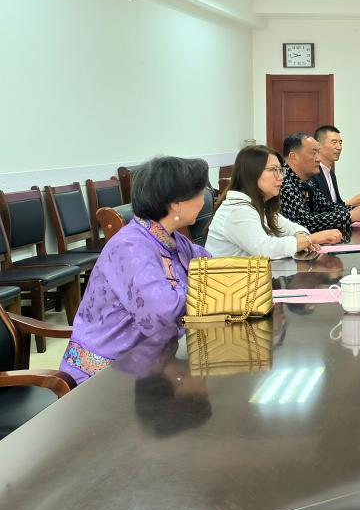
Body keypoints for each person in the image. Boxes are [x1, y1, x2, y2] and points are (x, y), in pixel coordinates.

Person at [60, 156, 213, 384]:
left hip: (151, 364)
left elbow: (212, 268)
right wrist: (207, 290)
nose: (204, 200)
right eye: (200, 193)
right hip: (105, 374)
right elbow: (161, 314)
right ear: (176, 204)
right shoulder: (131, 247)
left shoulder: (170, 239)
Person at [206, 145, 342, 259]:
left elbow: (292, 227)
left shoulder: (259, 206)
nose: (281, 177)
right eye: (273, 170)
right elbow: (266, 249)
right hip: (230, 282)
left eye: (280, 170)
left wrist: (303, 238)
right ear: (251, 174)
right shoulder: (237, 210)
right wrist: (311, 239)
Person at [279, 132, 360, 232]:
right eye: (313, 153)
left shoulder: (307, 182)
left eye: (318, 153)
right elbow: (303, 222)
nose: (319, 159)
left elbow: (327, 207)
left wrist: (357, 211)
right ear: (294, 157)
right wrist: (349, 216)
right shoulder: (282, 182)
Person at [311, 125, 360, 207]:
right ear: (318, 145)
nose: (339, 147)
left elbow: (337, 205)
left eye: (340, 143)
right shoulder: (311, 173)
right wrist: (350, 203)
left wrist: (357, 202)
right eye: (334, 142)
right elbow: (320, 209)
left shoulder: (331, 174)